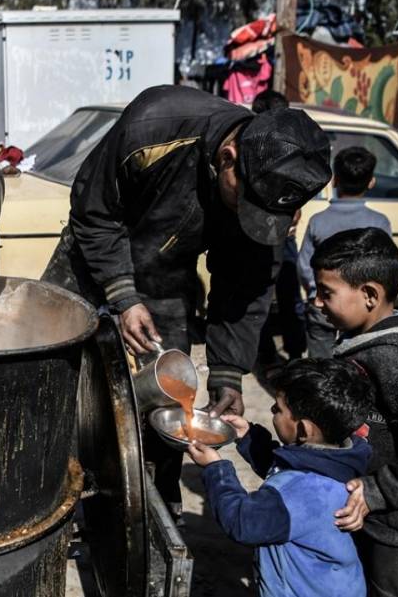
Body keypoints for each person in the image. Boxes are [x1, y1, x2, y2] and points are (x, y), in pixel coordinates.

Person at [40, 85, 332, 517]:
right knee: (52, 373)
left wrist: (229, 373)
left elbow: (246, 285)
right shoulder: (154, 127)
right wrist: (122, 294)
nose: (248, 217)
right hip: (91, 254)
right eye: (245, 204)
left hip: (167, 278)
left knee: (168, 396)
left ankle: (150, 509)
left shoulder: (269, 187)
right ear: (228, 160)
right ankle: (46, 487)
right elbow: (95, 212)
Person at [312, 228, 398, 597]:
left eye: (327, 293)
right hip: (375, 517)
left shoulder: (394, 362)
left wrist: (375, 492)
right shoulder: (365, 343)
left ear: (370, 295)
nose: (317, 302)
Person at [188, 358, 373, 597]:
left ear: (304, 430)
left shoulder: (302, 495)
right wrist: (248, 436)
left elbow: (242, 521)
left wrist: (216, 468)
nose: (271, 411)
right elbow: (283, 470)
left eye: (277, 409)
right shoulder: (340, 459)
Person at [297, 147, 391, 358]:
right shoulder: (379, 223)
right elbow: (384, 268)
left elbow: (304, 266)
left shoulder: (318, 221)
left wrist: (317, 294)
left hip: (323, 307)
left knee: (321, 367)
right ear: (371, 182)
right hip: (364, 311)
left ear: (334, 180)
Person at [250, 90, 306, 364]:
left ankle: (287, 352)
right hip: (266, 235)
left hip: (273, 236)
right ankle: (279, 353)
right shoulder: (255, 146)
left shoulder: (288, 144)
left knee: (271, 296)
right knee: (272, 297)